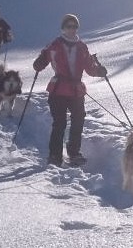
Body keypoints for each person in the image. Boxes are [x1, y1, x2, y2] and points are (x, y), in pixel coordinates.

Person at [32, 14, 107, 166]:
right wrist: (39, 62)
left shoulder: (82, 47)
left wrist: (99, 71)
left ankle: (74, 153)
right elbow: (40, 63)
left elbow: (89, 68)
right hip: (59, 89)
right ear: (63, 28)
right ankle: (55, 156)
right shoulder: (54, 45)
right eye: (69, 26)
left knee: (78, 122)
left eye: (74, 26)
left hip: (76, 90)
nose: (72, 29)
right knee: (59, 123)